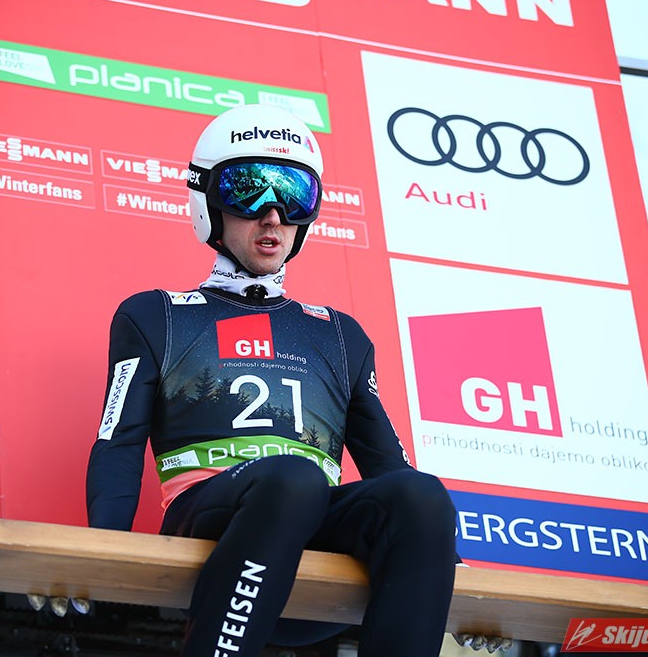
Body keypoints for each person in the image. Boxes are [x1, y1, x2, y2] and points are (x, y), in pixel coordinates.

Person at [86, 103, 457, 656]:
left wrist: (452, 574)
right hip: (212, 522)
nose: (273, 215)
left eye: (293, 194)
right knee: (293, 478)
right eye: (248, 190)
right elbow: (117, 440)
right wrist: (100, 553)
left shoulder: (340, 334)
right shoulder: (155, 314)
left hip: (309, 531)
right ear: (207, 200)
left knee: (422, 495)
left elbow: (390, 465)